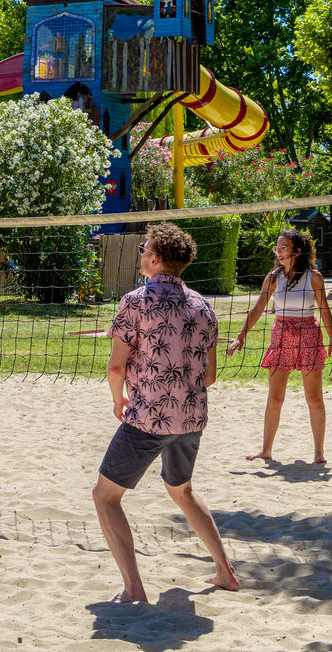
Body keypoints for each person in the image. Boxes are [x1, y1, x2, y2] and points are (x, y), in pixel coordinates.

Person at [93, 222, 238, 603]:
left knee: (105, 497)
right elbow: (209, 376)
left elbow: (115, 367)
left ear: (155, 259)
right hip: (191, 418)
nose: (141, 253)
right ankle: (225, 572)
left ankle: (134, 589)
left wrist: (117, 400)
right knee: (183, 491)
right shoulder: (203, 307)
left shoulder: (136, 301)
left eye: (144, 249)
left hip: (149, 417)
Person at [227, 230, 332, 463]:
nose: (279, 252)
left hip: (308, 334)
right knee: (275, 398)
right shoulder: (273, 277)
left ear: (297, 251)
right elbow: (258, 308)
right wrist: (241, 336)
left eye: (284, 248)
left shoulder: (314, 277)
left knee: (314, 398)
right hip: (282, 334)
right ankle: (266, 449)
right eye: (277, 248)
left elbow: (325, 310)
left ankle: (319, 452)